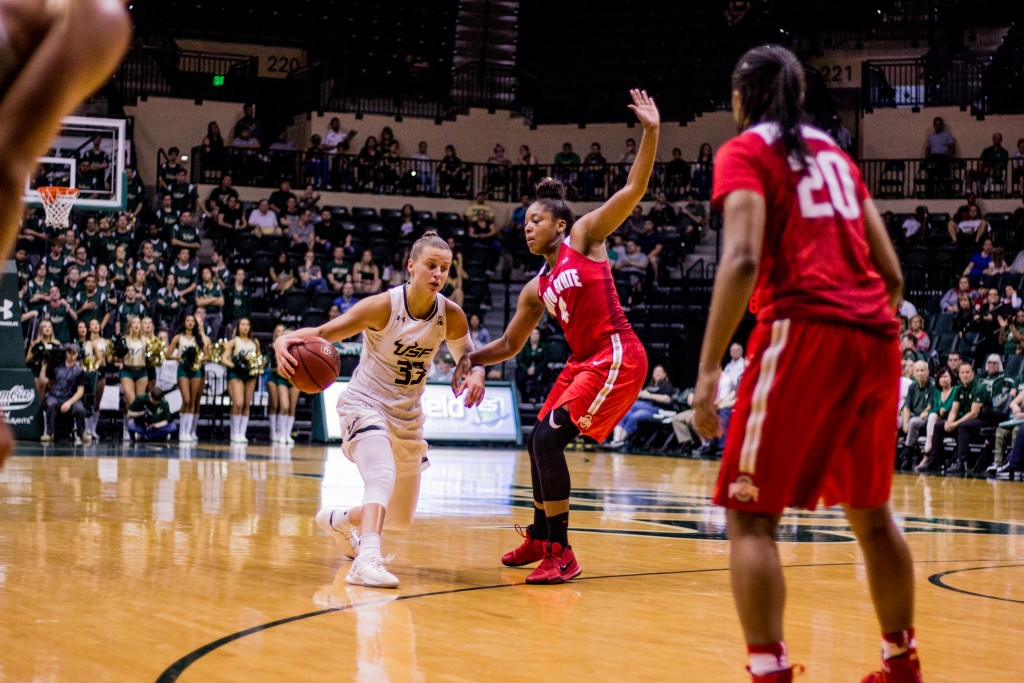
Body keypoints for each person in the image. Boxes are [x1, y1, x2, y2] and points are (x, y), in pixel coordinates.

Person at [690, 47, 920, 683]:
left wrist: (709, 371)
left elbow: (739, 260)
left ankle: (770, 672)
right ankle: (901, 664)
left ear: (742, 98)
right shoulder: (836, 156)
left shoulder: (745, 152)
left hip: (805, 329)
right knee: (873, 513)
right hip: (878, 334)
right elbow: (893, 275)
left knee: (750, 514)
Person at [451, 89, 659, 585]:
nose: (528, 228)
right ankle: (543, 537)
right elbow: (508, 345)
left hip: (616, 355)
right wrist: (470, 358)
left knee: (548, 439)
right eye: (524, 223)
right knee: (536, 439)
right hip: (584, 360)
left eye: (536, 220)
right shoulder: (535, 287)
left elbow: (632, 189)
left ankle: (562, 553)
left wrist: (651, 131)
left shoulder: (585, 237)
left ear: (559, 224)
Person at [274, 231, 485, 589]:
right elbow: (324, 332)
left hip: (407, 418)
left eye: (444, 268)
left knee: (400, 517)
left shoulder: (451, 315)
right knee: (381, 475)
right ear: (411, 266)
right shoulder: (383, 306)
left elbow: (470, 356)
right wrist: (284, 338)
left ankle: (340, 520)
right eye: (430, 265)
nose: (437, 274)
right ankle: (367, 559)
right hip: (365, 403)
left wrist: (476, 373)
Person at [608, 364, 674, 448]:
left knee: (634, 416)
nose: (657, 373)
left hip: (654, 409)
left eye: (660, 372)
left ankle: (620, 440)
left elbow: (667, 399)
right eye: (656, 371)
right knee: (623, 413)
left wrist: (649, 396)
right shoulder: (649, 385)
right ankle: (616, 440)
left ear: (664, 374)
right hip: (639, 407)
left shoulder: (666, 385)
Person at [168, 314, 209, 443]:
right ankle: (182, 431)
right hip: (183, 369)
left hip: (196, 370)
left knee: (192, 401)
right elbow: (167, 354)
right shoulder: (178, 337)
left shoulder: (199, 338)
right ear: (184, 322)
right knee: (186, 399)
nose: (190, 323)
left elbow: (208, 355)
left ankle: (188, 431)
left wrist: (200, 358)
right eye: (188, 320)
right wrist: (179, 357)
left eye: (193, 321)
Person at [221, 317, 260, 444]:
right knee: (238, 403)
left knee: (246, 404)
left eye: (247, 324)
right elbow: (224, 358)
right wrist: (235, 366)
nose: (245, 327)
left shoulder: (255, 342)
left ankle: (242, 433)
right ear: (238, 327)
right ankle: (234, 432)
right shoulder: (234, 341)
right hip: (236, 373)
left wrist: (255, 366)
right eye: (242, 324)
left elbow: (259, 359)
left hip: (249, 375)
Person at [40, 343, 89, 445]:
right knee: (50, 404)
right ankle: (49, 433)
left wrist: (69, 403)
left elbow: (80, 391)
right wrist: (43, 367)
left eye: (73, 353)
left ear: (77, 355)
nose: (70, 355)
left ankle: (81, 432)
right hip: (55, 395)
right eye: (68, 352)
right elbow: (44, 380)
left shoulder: (79, 371)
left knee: (79, 409)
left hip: (70, 397)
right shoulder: (56, 367)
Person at [266, 324, 300, 445]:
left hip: (295, 379)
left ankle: (287, 433)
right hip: (280, 378)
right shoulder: (276, 348)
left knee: (292, 407)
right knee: (283, 405)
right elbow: (271, 366)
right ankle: (278, 432)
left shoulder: (298, 350)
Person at [119, 316, 148, 442]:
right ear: (130, 325)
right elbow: (116, 355)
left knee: (139, 403)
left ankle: (136, 428)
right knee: (131, 401)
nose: (136, 325)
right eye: (134, 323)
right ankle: (127, 428)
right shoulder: (124, 339)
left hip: (142, 371)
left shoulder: (146, 340)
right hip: (127, 371)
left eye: (138, 323)